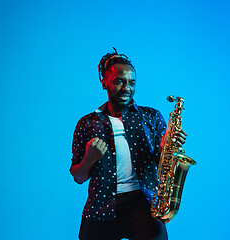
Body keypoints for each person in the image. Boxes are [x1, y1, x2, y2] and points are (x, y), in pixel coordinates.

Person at [70, 48, 187, 240]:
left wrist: (166, 149)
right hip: (102, 206)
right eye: (119, 81)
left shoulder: (151, 117)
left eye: (131, 82)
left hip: (145, 205)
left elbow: (164, 165)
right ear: (104, 82)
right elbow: (79, 177)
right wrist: (89, 159)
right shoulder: (87, 123)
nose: (127, 88)